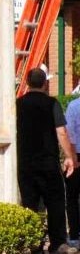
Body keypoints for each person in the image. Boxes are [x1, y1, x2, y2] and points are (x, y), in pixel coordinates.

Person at [18, 68, 77, 254]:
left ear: (27, 83)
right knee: (55, 203)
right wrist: (70, 157)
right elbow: (61, 132)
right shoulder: (52, 103)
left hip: (25, 163)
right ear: (45, 83)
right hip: (48, 163)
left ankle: (32, 243)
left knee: (29, 204)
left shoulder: (18, 104)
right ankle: (58, 242)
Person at [66, 83, 80, 248]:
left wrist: (71, 157)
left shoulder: (73, 106)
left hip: (76, 153)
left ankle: (75, 235)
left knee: (72, 197)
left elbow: (69, 133)